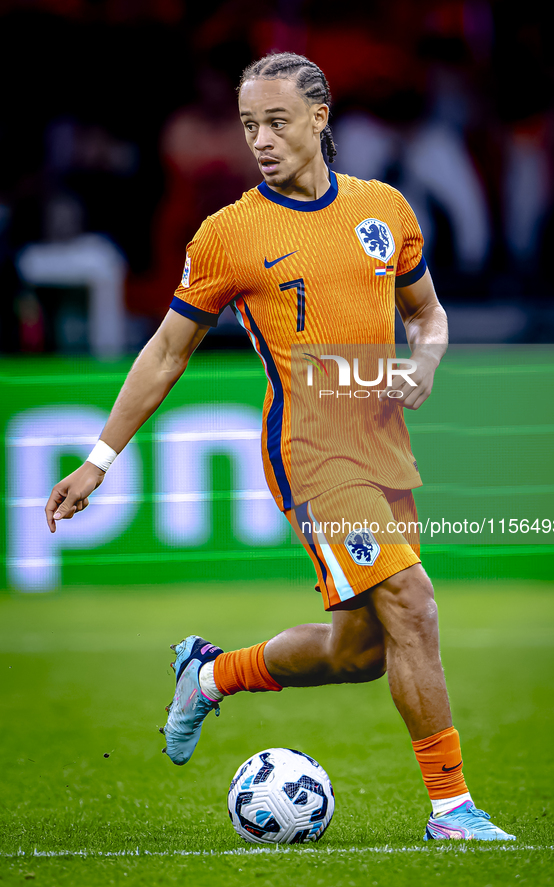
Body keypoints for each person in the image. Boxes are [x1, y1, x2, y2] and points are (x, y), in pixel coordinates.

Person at [45, 52, 514, 842]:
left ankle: (211, 672)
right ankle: (451, 809)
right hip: (309, 450)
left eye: (276, 121)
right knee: (413, 603)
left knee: (366, 648)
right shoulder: (229, 234)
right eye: (248, 125)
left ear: (320, 118)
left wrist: (425, 358)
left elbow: (428, 314)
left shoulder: (384, 210)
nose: (259, 139)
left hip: (382, 446)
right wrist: (98, 458)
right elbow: (164, 352)